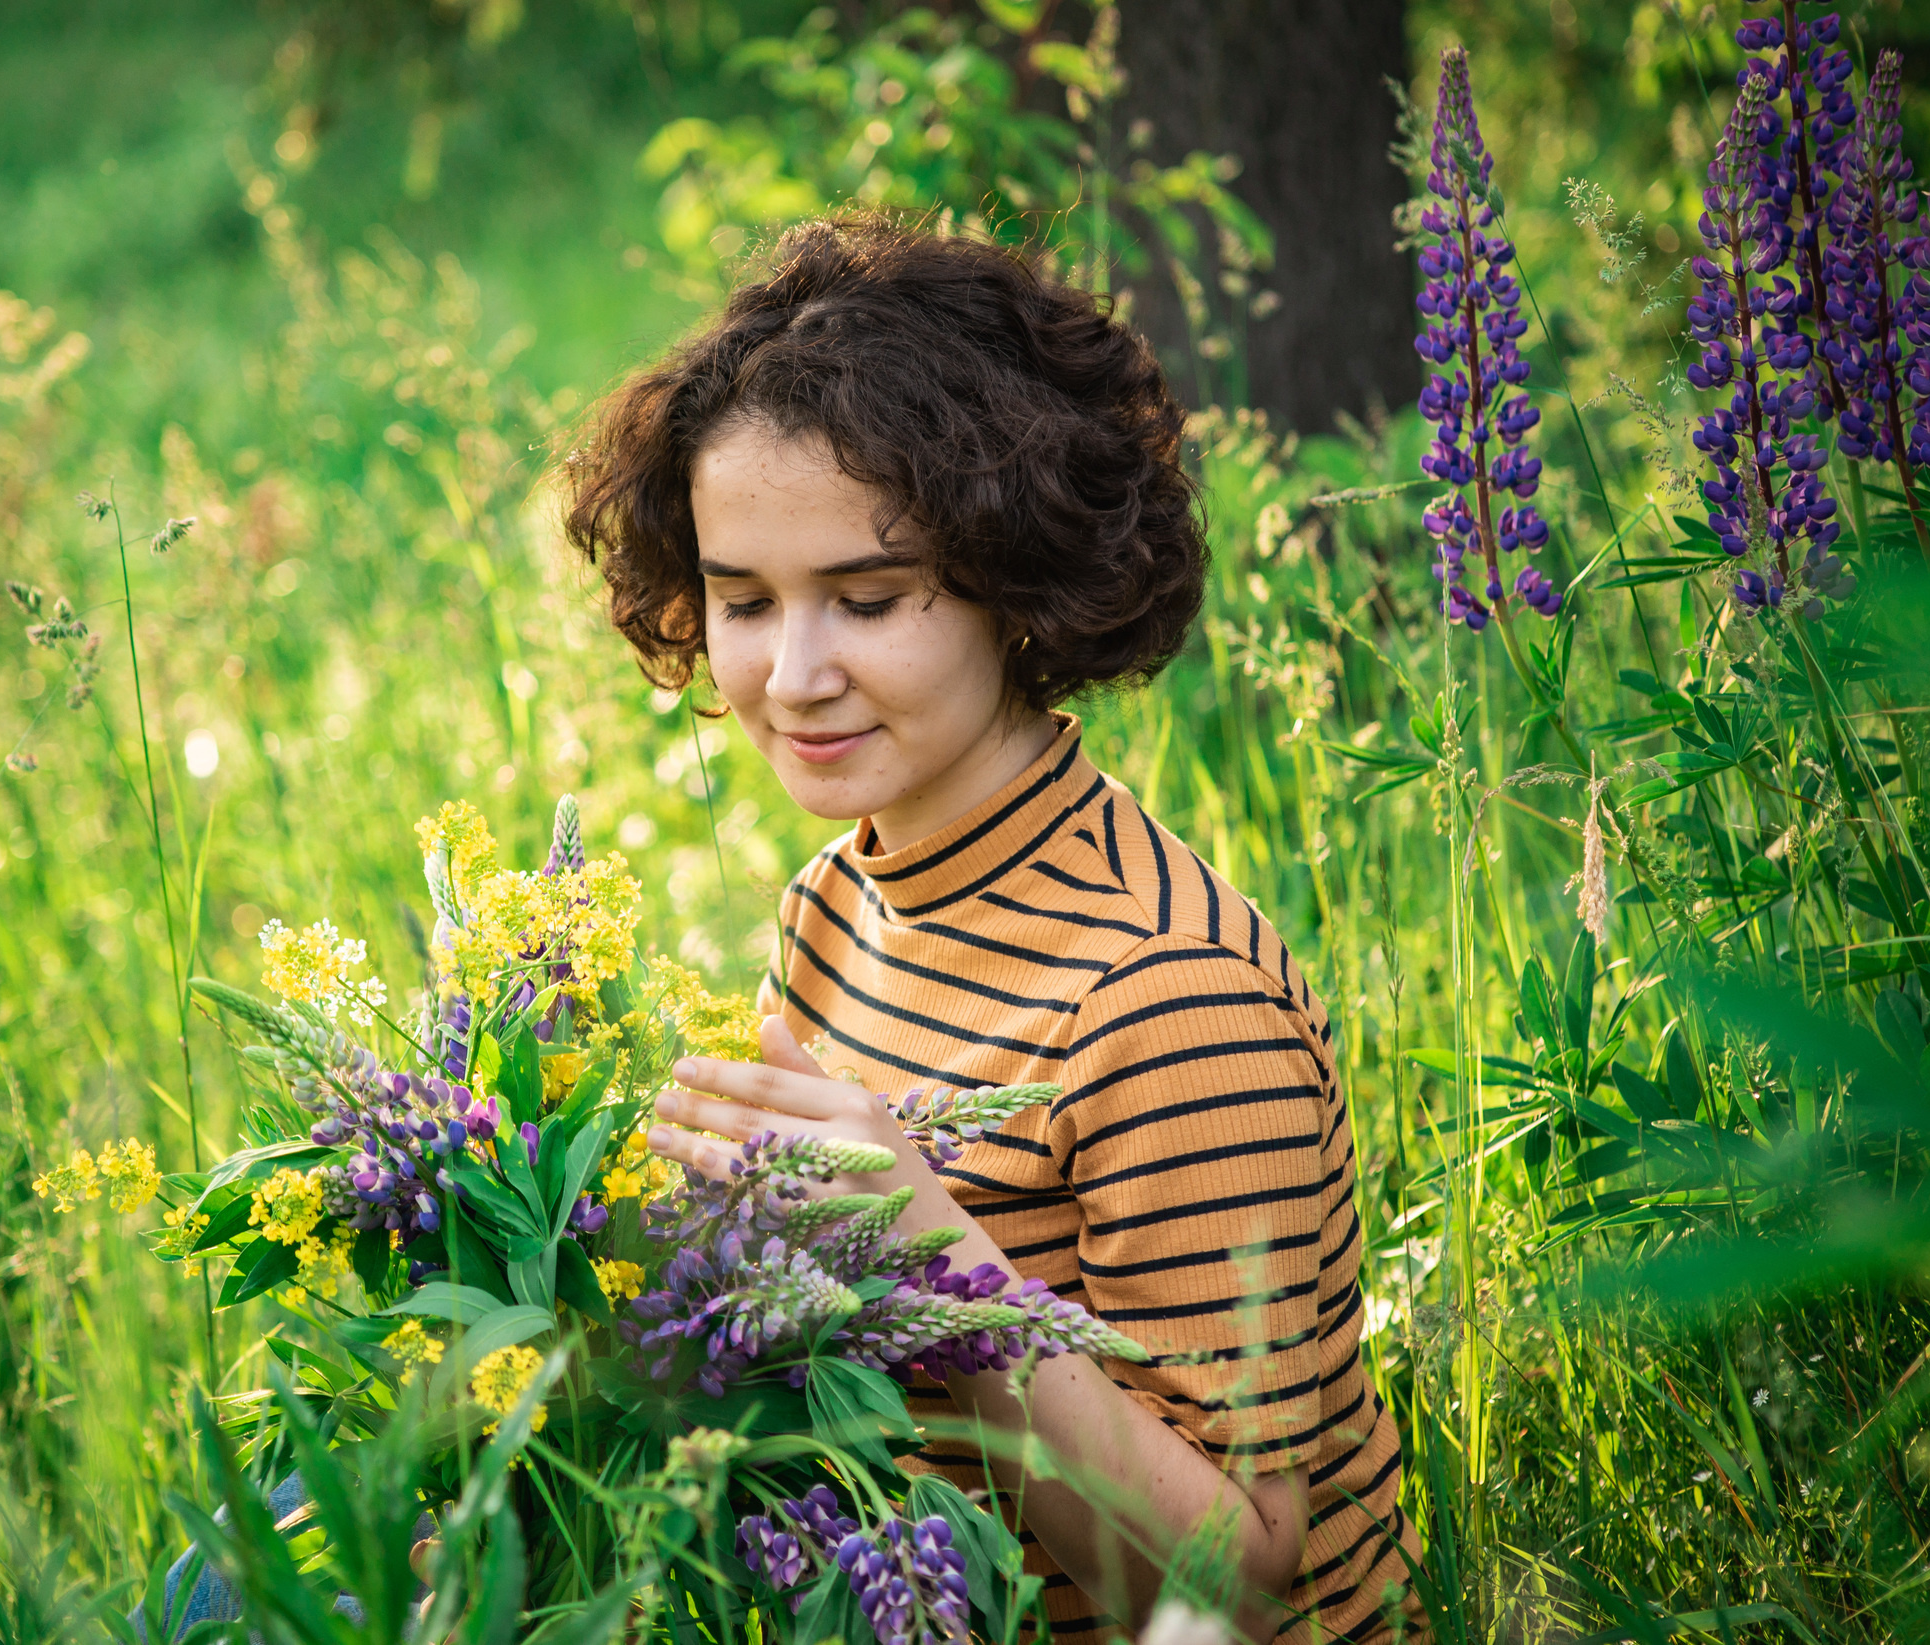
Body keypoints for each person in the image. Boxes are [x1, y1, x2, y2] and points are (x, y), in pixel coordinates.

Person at [563, 217, 1422, 1644]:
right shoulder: (839, 904)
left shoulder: (1166, 999)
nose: (792, 675)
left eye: (870, 597)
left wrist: (927, 1249)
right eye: (743, 600)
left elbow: (1234, 1573)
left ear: (1014, 589)